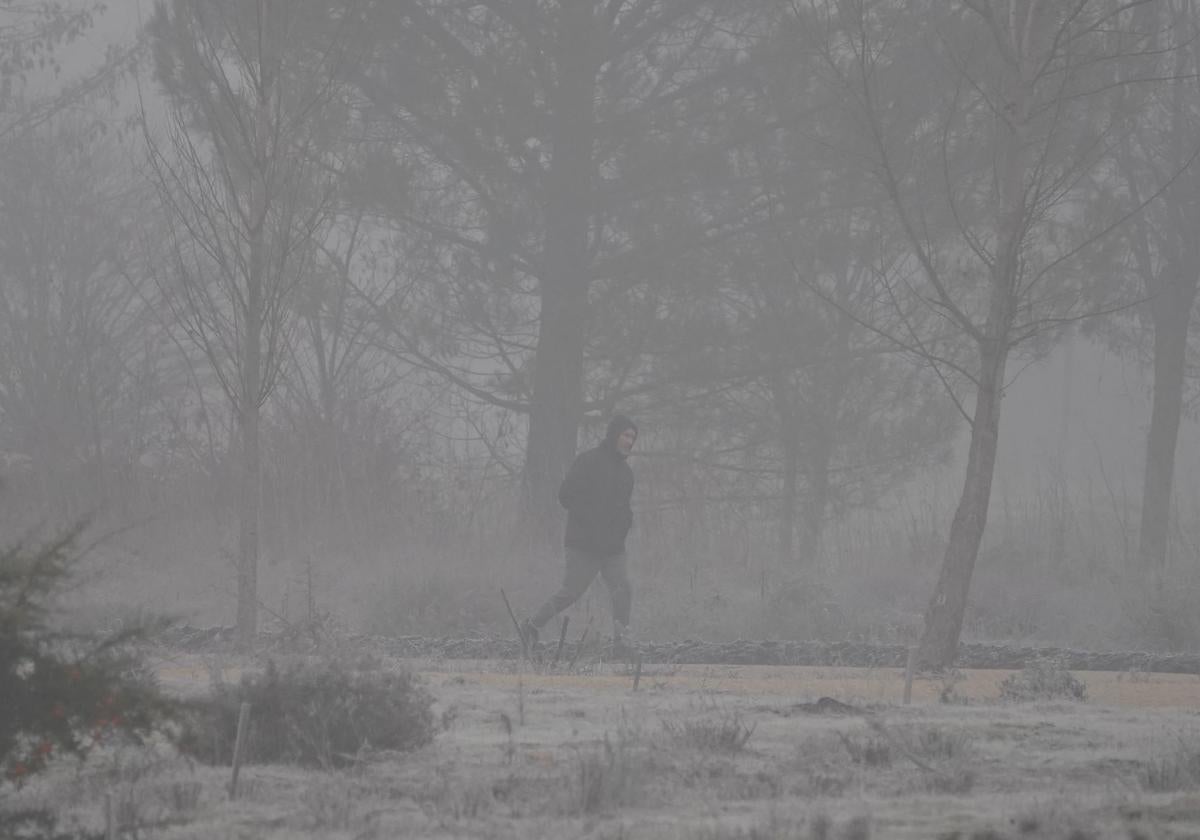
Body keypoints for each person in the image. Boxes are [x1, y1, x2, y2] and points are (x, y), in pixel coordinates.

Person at [521, 414, 638, 653]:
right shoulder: (588, 461)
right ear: (614, 434)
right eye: (626, 435)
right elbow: (566, 496)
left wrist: (624, 525)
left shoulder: (627, 474)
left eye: (633, 437)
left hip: (613, 548)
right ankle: (532, 626)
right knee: (571, 593)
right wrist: (592, 524)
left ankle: (621, 642)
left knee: (622, 588)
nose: (629, 441)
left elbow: (625, 509)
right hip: (583, 544)